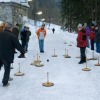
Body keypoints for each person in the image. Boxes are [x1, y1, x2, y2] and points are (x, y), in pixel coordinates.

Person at [0, 22, 25, 87]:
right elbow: (18, 45)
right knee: (7, 67)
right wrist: (22, 51)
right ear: (11, 28)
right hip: (7, 55)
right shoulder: (12, 36)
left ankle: (6, 78)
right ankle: (5, 82)